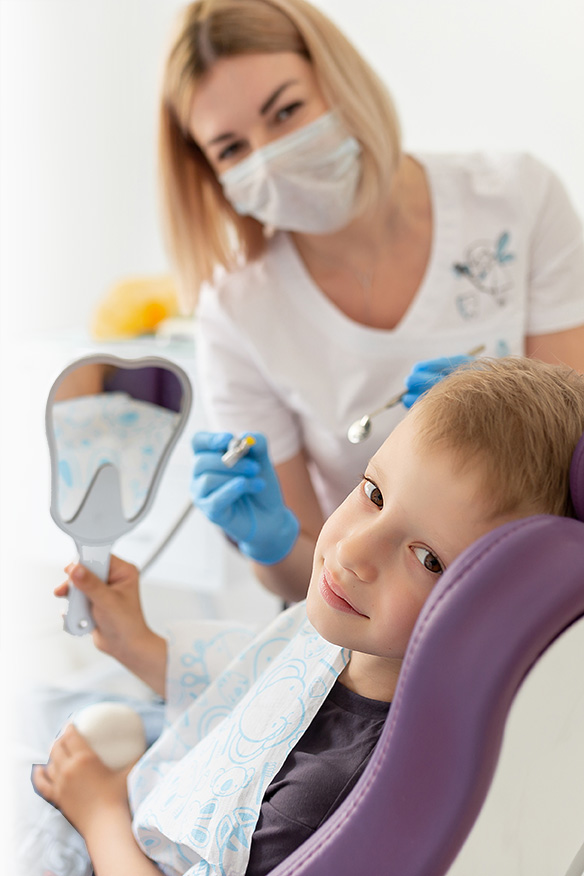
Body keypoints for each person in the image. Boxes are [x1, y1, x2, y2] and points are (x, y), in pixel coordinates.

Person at [33, 356, 584, 876]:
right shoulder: (362, 642)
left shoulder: (326, 797)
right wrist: (137, 642)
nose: (351, 553)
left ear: (498, 613)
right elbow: (251, 688)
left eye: (428, 558)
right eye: (373, 494)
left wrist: (98, 813)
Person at [156, 0, 584, 602]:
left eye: (286, 110)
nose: (269, 158)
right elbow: (309, 577)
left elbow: (578, 463)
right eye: (231, 149)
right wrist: (273, 543)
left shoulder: (518, 199)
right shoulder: (237, 312)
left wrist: (514, 408)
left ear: (339, 82)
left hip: (542, 599)